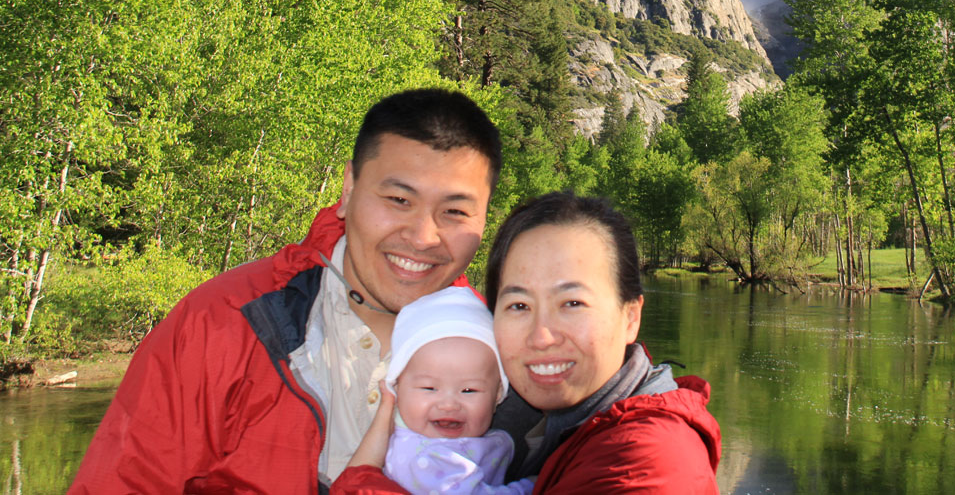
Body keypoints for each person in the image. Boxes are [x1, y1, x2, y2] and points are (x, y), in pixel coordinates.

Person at [69, 87, 502, 494]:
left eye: (455, 211)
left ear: (484, 219)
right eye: (398, 200)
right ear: (349, 187)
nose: (424, 236)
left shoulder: (505, 348)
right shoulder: (225, 322)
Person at [335, 191, 722, 493]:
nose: (541, 336)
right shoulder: (525, 416)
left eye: (572, 303)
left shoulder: (644, 464)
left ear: (630, 317)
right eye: (519, 304)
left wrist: (361, 479)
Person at [366, 287, 534, 494]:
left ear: (498, 394)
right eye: (429, 388)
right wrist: (538, 485)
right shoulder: (425, 461)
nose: (448, 404)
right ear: (397, 388)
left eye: (468, 390)